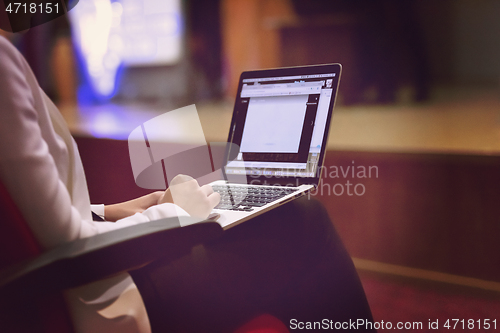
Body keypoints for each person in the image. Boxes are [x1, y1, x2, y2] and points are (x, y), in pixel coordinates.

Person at [0, 35, 374, 332]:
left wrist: (130, 208)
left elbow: (34, 210)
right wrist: (175, 213)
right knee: (303, 221)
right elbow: (70, 246)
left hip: (71, 283)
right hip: (100, 296)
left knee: (268, 222)